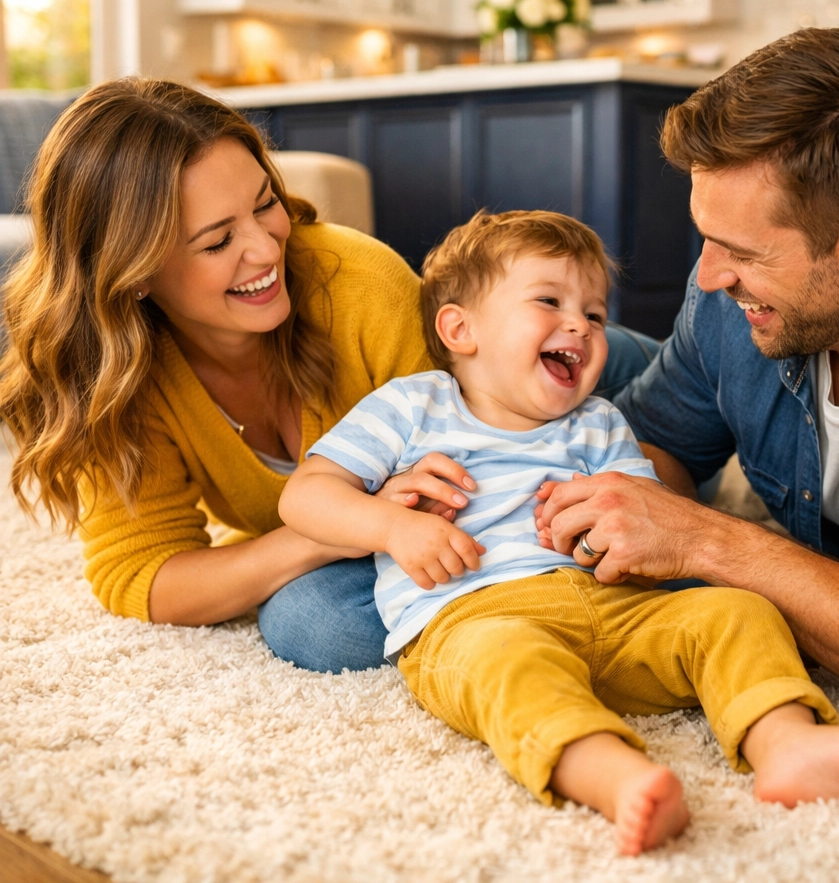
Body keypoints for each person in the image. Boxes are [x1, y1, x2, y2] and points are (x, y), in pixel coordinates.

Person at [279, 209, 839, 857]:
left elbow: (642, 524)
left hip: (617, 609)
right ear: (460, 328)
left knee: (734, 612)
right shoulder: (411, 406)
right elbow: (306, 496)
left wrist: (601, 539)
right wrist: (390, 526)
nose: (580, 326)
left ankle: (787, 743)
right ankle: (615, 778)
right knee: (509, 669)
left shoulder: (599, 420)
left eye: (594, 311)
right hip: (474, 615)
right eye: (549, 301)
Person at [0, 77, 653, 674]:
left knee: (652, 427)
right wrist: (334, 527)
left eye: (264, 204)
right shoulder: (114, 372)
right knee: (314, 624)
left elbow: (493, 463)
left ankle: (681, 403)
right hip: (397, 503)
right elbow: (145, 576)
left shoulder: (360, 284)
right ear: (135, 272)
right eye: (217, 240)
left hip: (536, 383)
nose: (265, 248)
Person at [532, 26, 839, 723]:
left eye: (741, 252)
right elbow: (664, 441)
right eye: (706, 238)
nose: (707, 276)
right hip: (695, 359)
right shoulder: (727, 300)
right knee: (523, 348)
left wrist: (705, 540)